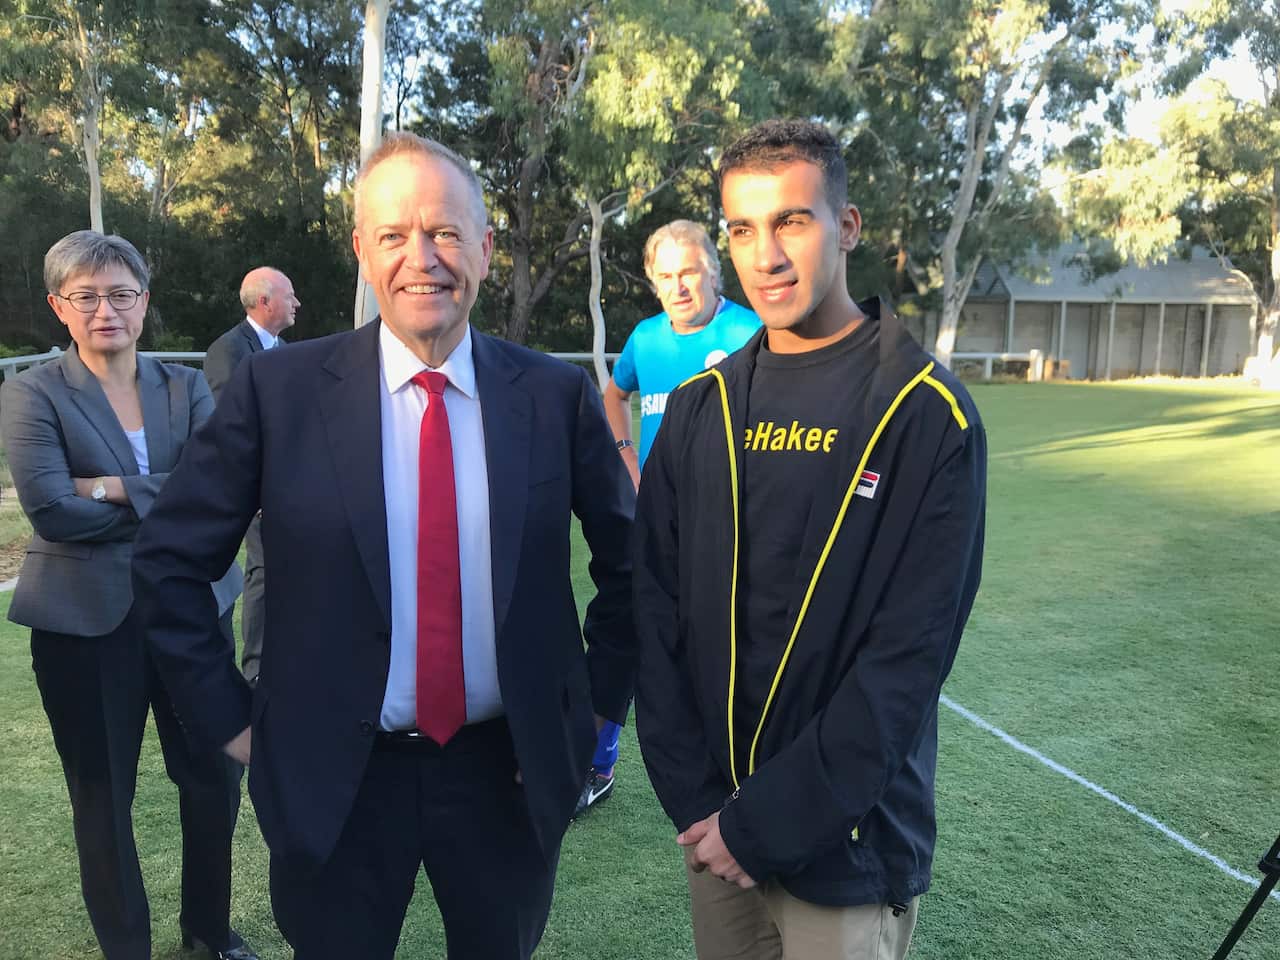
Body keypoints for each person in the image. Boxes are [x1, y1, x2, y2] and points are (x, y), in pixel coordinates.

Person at [131, 132, 637, 960]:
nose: (422, 258)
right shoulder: (279, 392)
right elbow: (168, 561)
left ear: (485, 246)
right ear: (363, 250)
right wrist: (228, 717)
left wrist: (594, 715)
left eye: (443, 232)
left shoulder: (552, 394)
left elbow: (631, 568)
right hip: (335, 774)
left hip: (504, 772)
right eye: (395, 235)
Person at [633, 119, 987, 960]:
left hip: (846, 847)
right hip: (715, 833)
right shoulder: (699, 409)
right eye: (744, 229)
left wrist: (769, 824)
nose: (768, 255)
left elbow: (906, 662)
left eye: (793, 220)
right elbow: (655, 610)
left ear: (848, 225)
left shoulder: (924, 414)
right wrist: (697, 802)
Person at [0, 230, 256, 960]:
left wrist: (108, 487)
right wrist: (164, 496)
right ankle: (128, 947)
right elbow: (51, 509)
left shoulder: (184, 385)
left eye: (120, 294)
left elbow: (219, 492)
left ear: (144, 303)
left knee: (214, 776)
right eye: (86, 296)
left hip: (192, 612)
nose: (104, 309)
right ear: (59, 306)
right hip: (84, 624)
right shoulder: (29, 393)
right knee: (103, 797)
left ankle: (208, 933)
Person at [577, 221, 758, 818]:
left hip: (731, 521)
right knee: (624, 628)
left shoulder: (747, 330)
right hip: (653, 518)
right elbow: (614, 394)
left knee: (724, 638)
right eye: (666, 275)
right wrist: (627, 457)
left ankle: (743, 769)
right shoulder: (646, 338)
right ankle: (598, 760)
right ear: (653, 282)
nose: (679, 285)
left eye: (689, 272)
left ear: (713, 270)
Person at [203, 266, 300, 685]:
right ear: (265, 302)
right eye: (290, 295)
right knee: (263, 572)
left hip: (292, 485)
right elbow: (231, 428)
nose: (297, 303)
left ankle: (290, 655)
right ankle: (257, 670)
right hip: (259, 489)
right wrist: (258, 489)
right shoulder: (228, 351)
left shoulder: (285, 349)